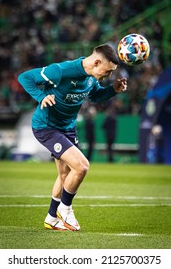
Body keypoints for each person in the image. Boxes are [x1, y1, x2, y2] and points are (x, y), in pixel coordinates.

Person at [18, 44, 127, 231]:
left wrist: (113, 90)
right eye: (108, 71)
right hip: (46, 126)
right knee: (82, 166)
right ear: (97, 62)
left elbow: (95, 96)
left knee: (65, 175)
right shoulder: (61, 71)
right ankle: (65, 209)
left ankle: (52, 218)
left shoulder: (91, 78)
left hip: (68, 129)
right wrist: (40, 96)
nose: (108, 76)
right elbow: (25, 77)